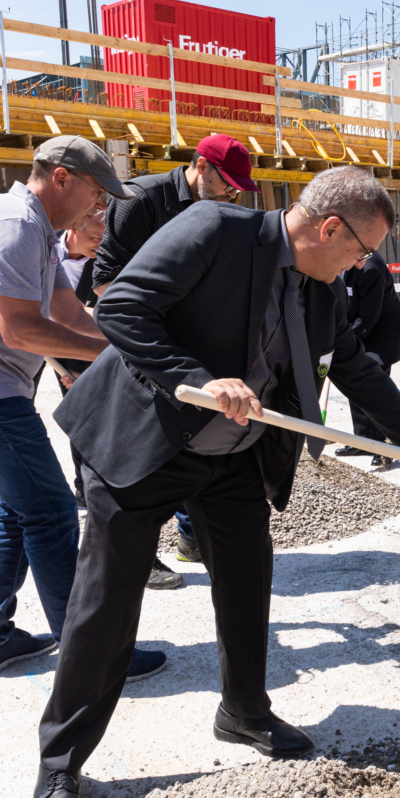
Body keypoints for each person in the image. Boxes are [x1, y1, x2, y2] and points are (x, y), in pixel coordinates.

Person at [32, 166, 400, 798]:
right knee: (106, 606)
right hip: (145, 440)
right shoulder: (215, 228)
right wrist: (199, 379)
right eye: (361, 250)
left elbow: (356, 366)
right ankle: (60, 763)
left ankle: (243, 710)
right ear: (330, 228)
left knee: (247, 580)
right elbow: (124, 306)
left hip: (232, 458)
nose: (362, 264)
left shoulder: (322, 291)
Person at [0, 136, 164, 685]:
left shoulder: (32, 225)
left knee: (19, 508)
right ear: (62, 177)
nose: (99, 209)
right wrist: (115, 355)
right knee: (49, 511)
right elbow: (20, 328)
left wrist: (125, 351)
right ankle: (88, 657)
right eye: (96, 194)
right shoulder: (15, 224)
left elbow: (67, 309)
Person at [91, 133, 257, 573]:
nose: (232, 193)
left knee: (191, 440)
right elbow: (106, 284)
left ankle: (189, 536)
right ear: (200, 166)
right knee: (138, 451)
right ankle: (136, 553)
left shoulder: (220, 210)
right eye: (227, 183)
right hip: (141, 342)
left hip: (186, 344)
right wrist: (160, 342)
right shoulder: (142, 199)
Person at [336, 249, 400, 466]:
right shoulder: (352, 260)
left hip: (382, 337)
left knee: (375, 387)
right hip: (361, 332)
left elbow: (368, 317)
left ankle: (385, 444)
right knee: (354, 378)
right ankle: (365, 440)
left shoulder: (370, 269)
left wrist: (342, 341)